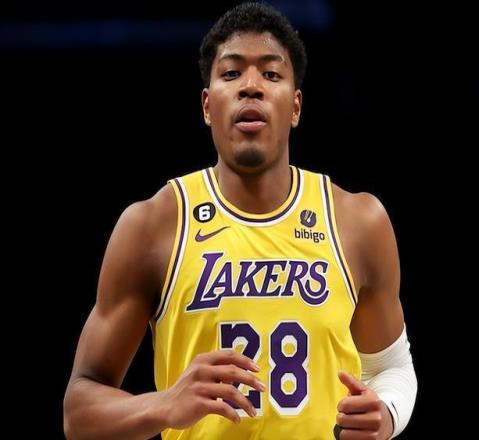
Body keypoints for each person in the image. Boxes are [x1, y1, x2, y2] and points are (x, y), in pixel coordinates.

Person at [63, 3, 417, 439]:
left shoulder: (358, 221)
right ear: (207, 106)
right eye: (231, 73)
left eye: (271, 74)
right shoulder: (153, 225)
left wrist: (387, 413)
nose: (251, 87)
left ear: (296, 107)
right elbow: (79, 411)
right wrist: (163, 404)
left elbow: (392, 368)